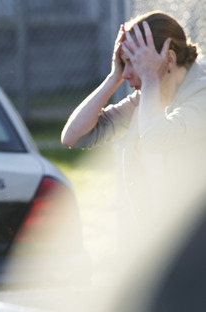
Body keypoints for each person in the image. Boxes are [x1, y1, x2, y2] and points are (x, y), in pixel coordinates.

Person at [60, 11, 206, 237]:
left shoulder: (201, 97)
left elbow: (157, 138)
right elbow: (74, 136)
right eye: (123, 63)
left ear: (168, 60)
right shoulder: (149, 97)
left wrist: (148, 78)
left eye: (134, 62)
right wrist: (113, 77)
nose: (127, 74)